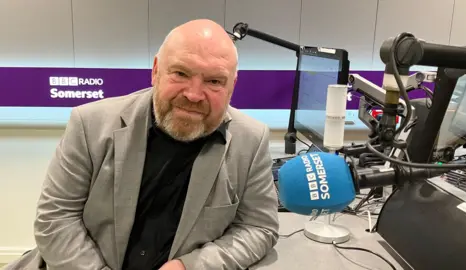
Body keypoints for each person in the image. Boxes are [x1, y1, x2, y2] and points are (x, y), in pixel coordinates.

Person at [5, 19, 279, 270]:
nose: (194, 94)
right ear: (156, 71)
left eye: (214, 81)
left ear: (232, 85)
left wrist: (191, 266)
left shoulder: (251, 140)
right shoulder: (90, 124)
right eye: (181, 73)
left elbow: (259, 227)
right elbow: (56, 219)